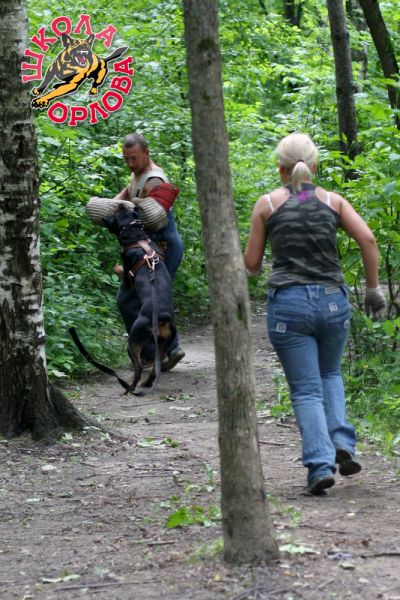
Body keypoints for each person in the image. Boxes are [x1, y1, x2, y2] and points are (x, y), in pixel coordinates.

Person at [244, 133, 387, 495]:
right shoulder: (333, 201)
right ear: (315, 166)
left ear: (280, 168)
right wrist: (373, 289)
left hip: (288, 306)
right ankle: (342, 442)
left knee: (306, 391)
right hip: (332, 302)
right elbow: (368, 240)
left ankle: (321, 465)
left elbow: (253, 265)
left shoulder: (267, 205)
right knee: (330, 374)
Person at [114, 132, 185, 370]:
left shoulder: (153, 180)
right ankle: (167, 350)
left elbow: (142, 216)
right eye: (126, 159)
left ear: (146, 153)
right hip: (148, 246)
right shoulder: (138, 174)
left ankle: (153, 353)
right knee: (151, 299)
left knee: (133, 299)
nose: (130, 163)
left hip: (161, 245)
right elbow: (123, 199)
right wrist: (107, 207)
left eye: (134, 158)